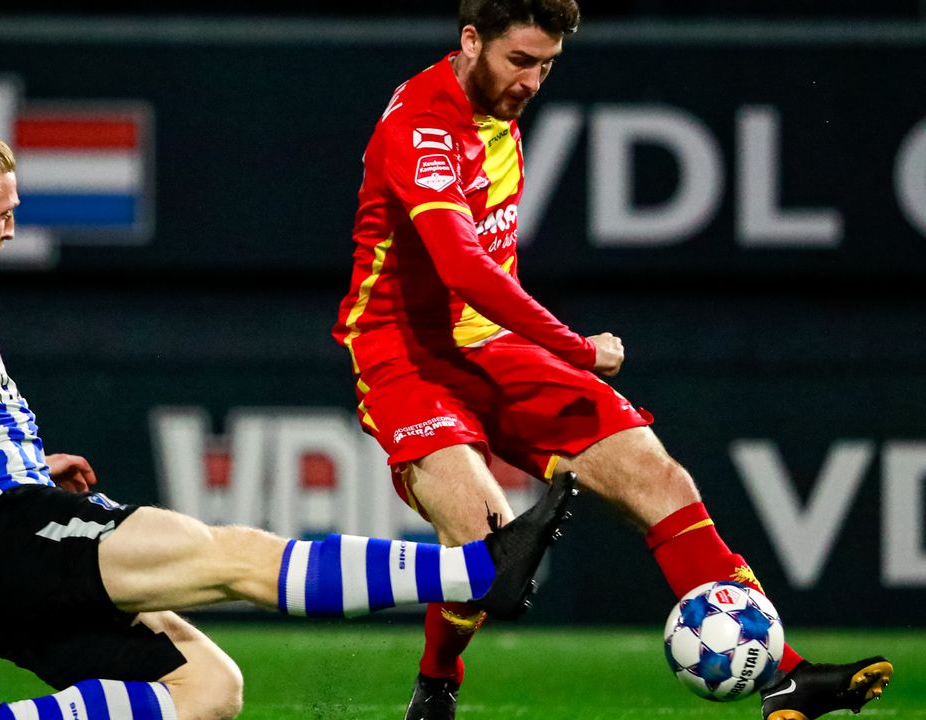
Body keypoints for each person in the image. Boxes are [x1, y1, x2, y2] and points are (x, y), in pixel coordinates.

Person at [0, 125, 578, 720]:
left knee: (211, 690)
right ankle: (475, 570)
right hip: (7, 541)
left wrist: (25, 458)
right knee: (230, 555)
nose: (11, 229)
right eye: (4, 214)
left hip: (1, 557)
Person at [331, 2, 893, 719]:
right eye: (520, 61)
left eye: (547, 66)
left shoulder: (497, 101)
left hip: (491, 346)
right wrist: (575, 348)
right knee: (483, 547)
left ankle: (787, 678)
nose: (533, 81)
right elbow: (463, 268)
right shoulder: (421, 124)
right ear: (470, 41)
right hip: (403, 351)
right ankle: (437, 684)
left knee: (658, 478)